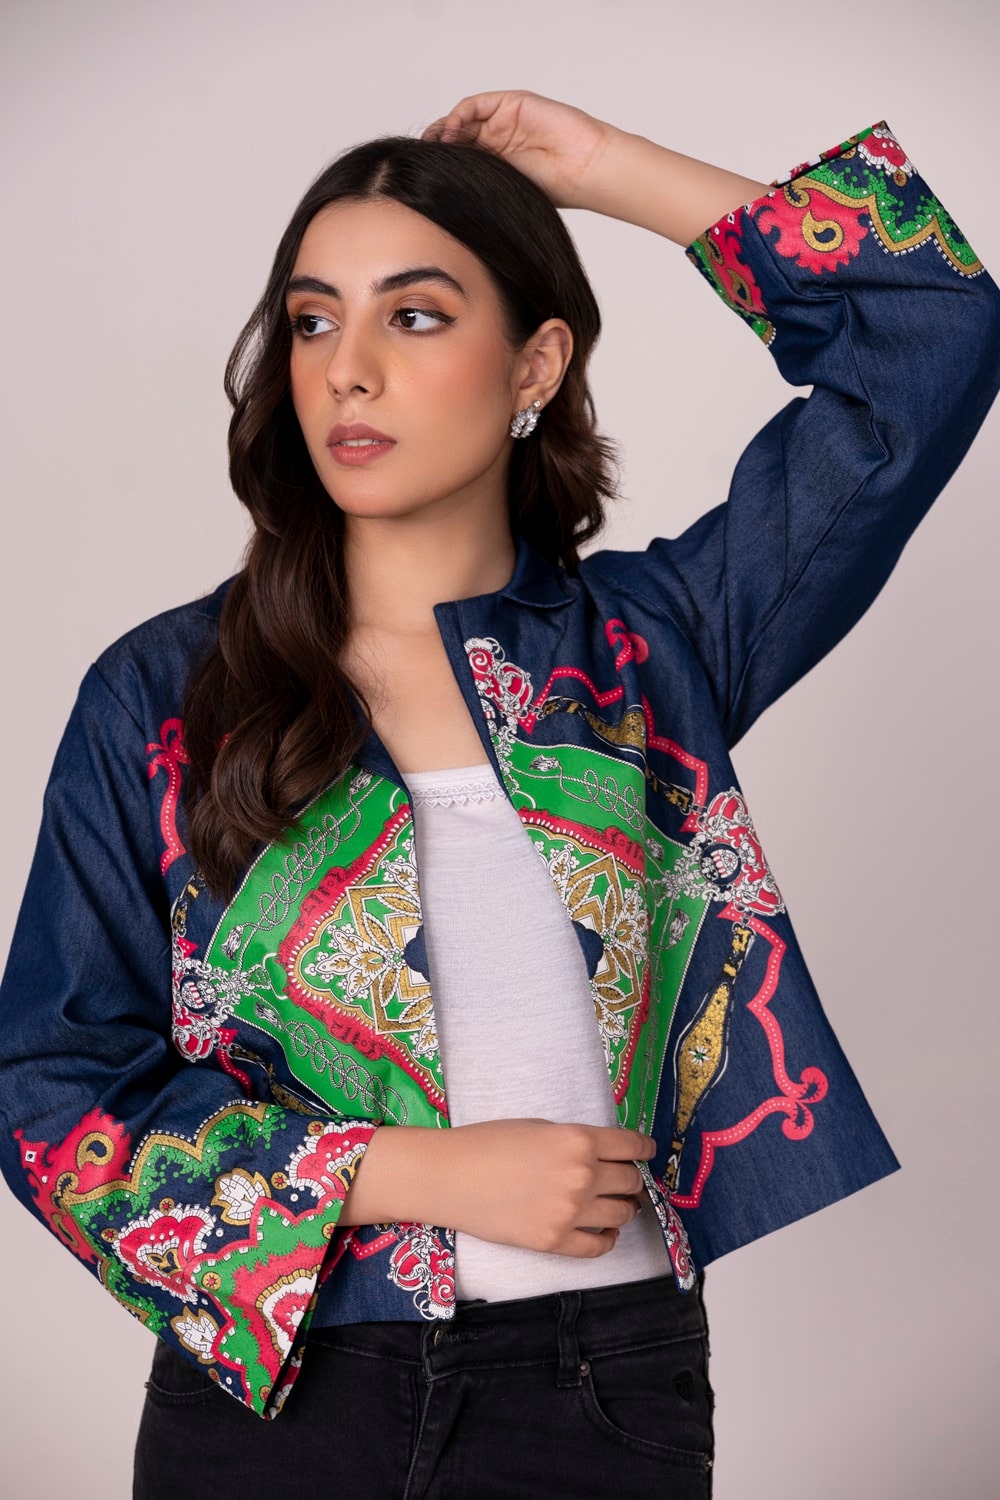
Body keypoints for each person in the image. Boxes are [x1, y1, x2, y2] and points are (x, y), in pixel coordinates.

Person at [0, 90, 997, 1499]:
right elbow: (50, 1087)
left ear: (536, 361)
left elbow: (931, 332)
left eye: (414, 316)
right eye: (311, 321)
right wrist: (413, 1173)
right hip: (279, 1402)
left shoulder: (653, 649)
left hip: (600, 1396)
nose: (348, 370)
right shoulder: (164, 700)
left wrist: (604, 168)